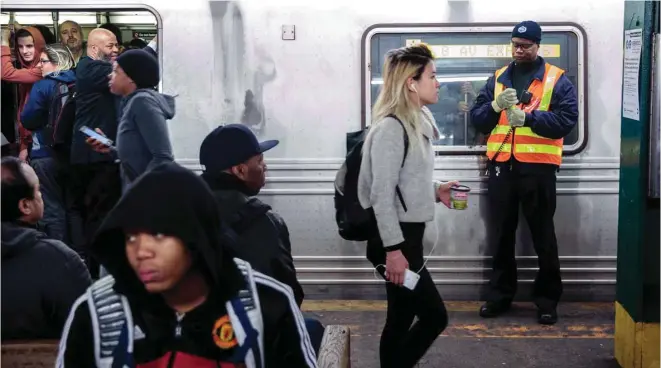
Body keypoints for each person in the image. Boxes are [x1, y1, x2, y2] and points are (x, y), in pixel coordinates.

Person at [56, 162, 317, 368]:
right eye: (130, 236)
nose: (141, 251)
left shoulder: (267, 303)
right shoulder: (97, 313)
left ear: (196, 238)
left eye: (158, 234)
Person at [469, 21, 578, 325]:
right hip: (503, 167)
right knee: (501, 236)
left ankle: (546, 302)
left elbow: (567, 120)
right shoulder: (499, 78)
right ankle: (499, 297)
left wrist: (530, 120)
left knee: (543, 237)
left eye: (525, 45)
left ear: (537, 46)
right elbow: (479, 120)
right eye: (515, 44)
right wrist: (493, 105)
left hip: (538, 170)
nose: (519, 50)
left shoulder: (556, 79)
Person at [357, 43, 458, 368]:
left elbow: (405, 182)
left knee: (400, 318)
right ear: (411, 83)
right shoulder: (391, 128)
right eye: (432, 75)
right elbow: (381, 194)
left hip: (406, 238)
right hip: (396, 242)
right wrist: (394, 252)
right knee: (434, 316)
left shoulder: (414, 122)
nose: (438, 82)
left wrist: (436, 190)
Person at [1, 156, 91, 340]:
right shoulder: (60, 261)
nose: (41, 195)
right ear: (25, 206)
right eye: (38, 190)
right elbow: (90, 336)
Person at [86, 48, 174, 191]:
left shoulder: (142, 102)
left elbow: (162, 156)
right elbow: (138, 154)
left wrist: (141, 193)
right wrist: (111, 149)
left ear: (132, 77)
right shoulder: (131, 102)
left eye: (116, 71)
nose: (109, 76)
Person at [21, 44, 77, 242]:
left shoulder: (43, 86)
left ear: (57, 62)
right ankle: (79, 258)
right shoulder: (78, 83)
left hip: (45, 154)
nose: (39, 66)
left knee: (52, 208)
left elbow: (27, 119)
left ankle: (58, 256)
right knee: (74, 209)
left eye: (43, 61)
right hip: (73, 154)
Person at [1, 26, 46, 161]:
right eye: (20, 47)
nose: (24, 51)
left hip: (39, 142)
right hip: (29, 141)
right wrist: (23, 147)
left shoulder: (41, 69)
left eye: (29, 46)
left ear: (38, 46)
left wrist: (3, 42)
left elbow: (6, 73)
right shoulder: (28, 68)